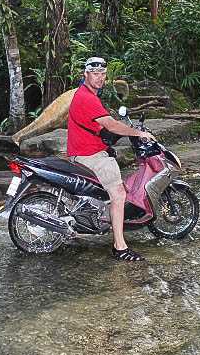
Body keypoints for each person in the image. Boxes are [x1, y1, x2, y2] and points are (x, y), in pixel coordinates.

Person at [67, 57, 156, 262]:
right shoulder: (87, 98)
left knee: (116, 186)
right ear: (86, 74)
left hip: (88, 151)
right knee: (118, 194)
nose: (99, 78)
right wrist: (137, 134)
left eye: (102, 74)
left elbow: (101, 126)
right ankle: (120, 246)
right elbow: (111, 125)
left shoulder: (88, 95)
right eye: (95, 74)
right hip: (89, 156)